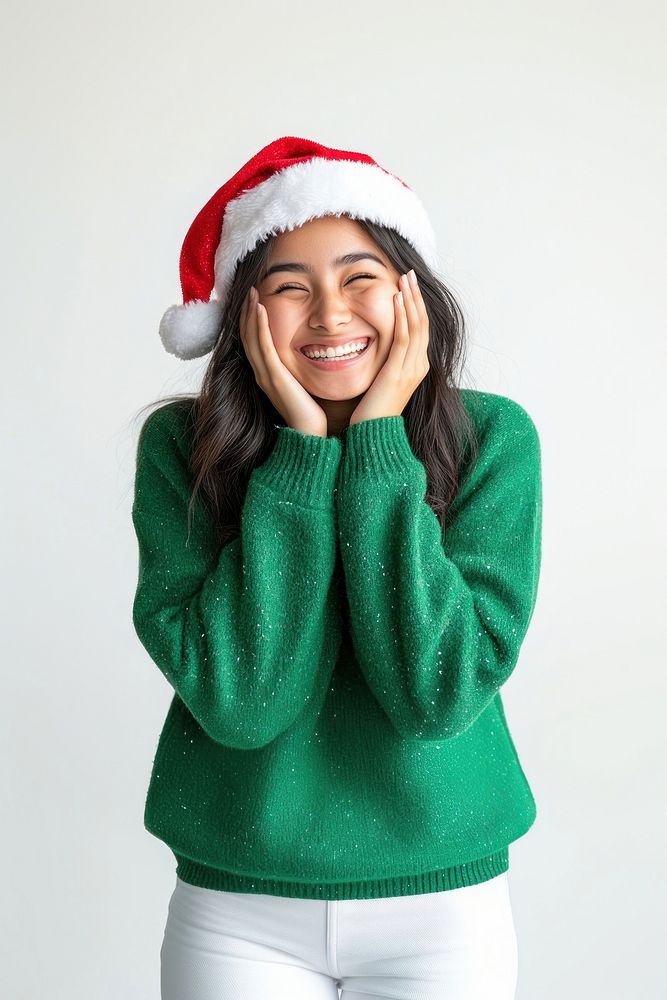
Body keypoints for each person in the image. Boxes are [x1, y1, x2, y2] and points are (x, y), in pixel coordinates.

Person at [130, 135, 543, 1000]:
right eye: (288, 287)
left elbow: (436, 693)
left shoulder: (492, 440)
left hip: (444, 909)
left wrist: (379, 448)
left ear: (411, 295)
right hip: (233, 908)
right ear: (244, 314)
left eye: (359, 278)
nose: (328, 314)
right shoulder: (180, 449)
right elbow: (241, 701)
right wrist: (300, 461)